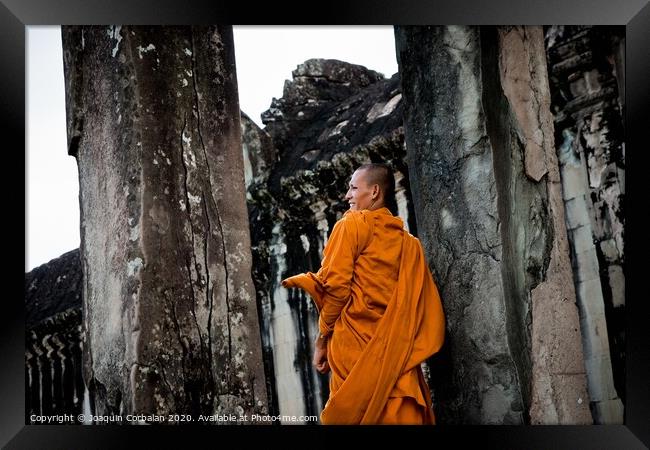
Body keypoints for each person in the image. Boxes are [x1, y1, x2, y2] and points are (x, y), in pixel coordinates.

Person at [281, 162, 445, 425]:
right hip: (398, 360)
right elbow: (425, 313)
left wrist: (322, 341)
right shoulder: (410, 246)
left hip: (355, 356)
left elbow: (335, 290)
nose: (347, 195)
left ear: (374, 192)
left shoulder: (352, 226)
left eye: (353, 188)